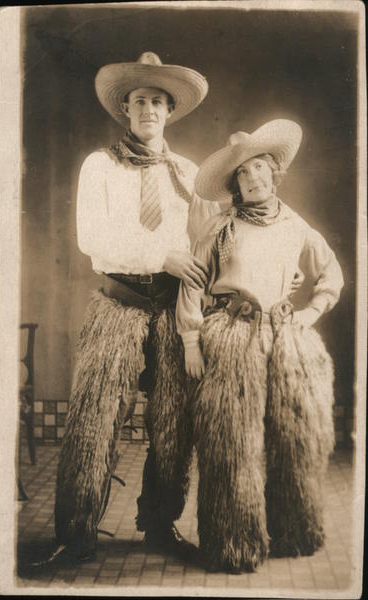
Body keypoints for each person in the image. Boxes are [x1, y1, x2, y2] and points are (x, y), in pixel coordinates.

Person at [54, 51, 221, 562]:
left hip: (173, 312)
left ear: (170, 111)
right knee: (95, 417)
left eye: (158, 101)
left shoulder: (189, 173)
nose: (148, 109)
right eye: (139, 100)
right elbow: (93, 238)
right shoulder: (99, 166)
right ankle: (75, 530)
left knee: (173, 424)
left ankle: (160, 523)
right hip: (119, 303)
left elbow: (206, 242)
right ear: (124, 109)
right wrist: (160, 255)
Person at [176, 119, 344, 573]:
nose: (252, 180)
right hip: (232, 337)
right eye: (243, 175)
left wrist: (310, 313)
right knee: (233, 441)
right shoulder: (219, 228)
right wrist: (192, 340)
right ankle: (234, 542)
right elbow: (192, 287)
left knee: (294, 437)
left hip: (286, 338)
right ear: (235, 184)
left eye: (259, 170)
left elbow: (329, 274)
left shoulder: (294, 225)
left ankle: (294, 530)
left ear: (274, 173)